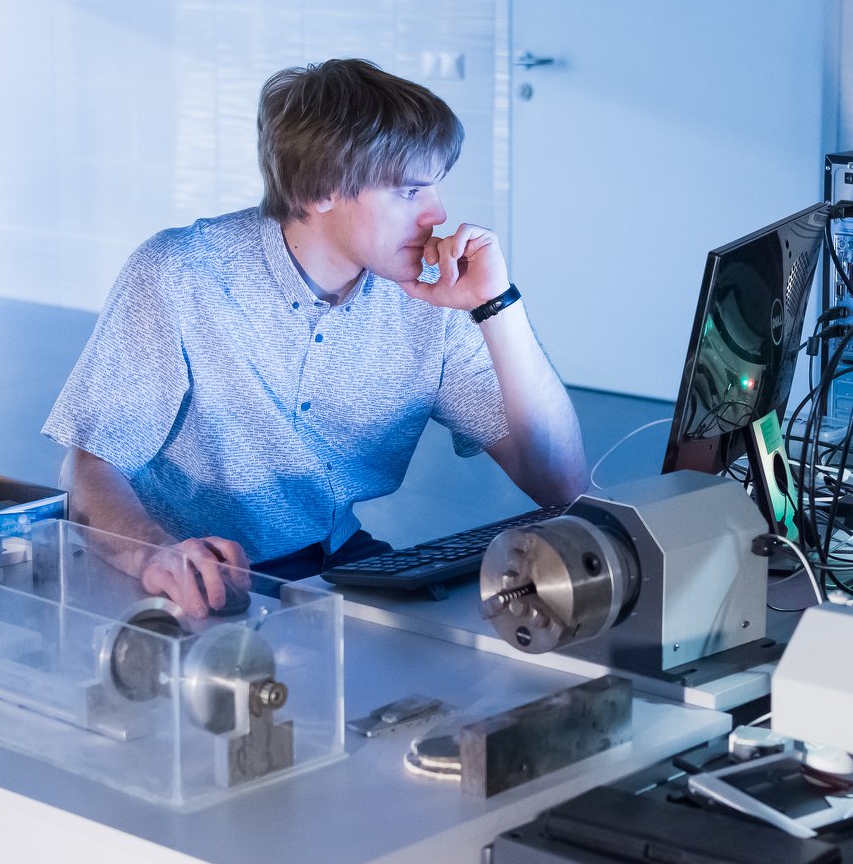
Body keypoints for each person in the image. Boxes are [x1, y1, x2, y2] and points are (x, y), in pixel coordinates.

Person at [43, 58, 589, 616]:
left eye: (435, 187)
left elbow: (562, 486)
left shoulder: (429, 300)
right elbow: (88, 468)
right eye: (409, 191)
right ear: (321, 189)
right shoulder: (180, 273)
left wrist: (496, 306)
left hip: (334, 558)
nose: (438, 213)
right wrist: (154, 554)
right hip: (189, 570)